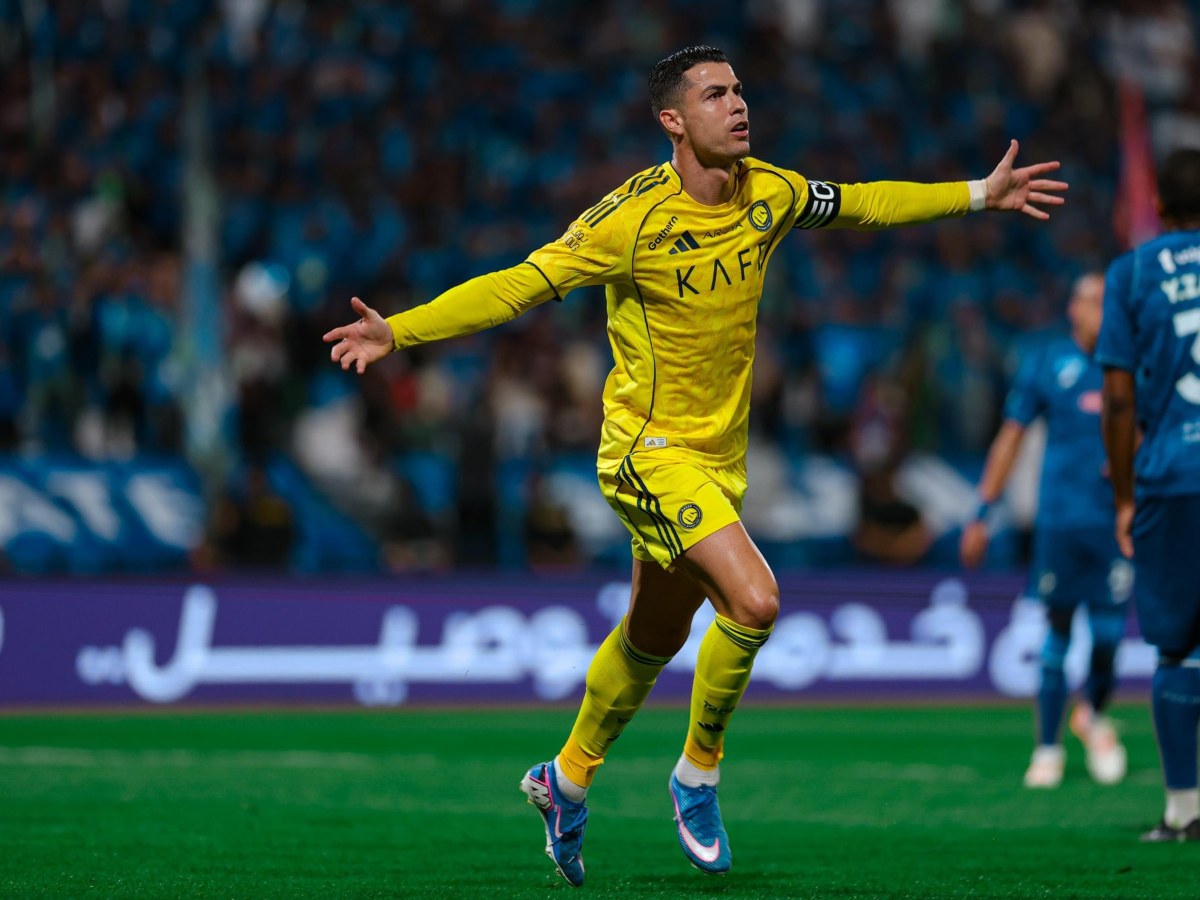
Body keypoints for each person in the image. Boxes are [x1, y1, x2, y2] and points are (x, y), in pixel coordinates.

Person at [324, 45, 1067, 884]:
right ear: (673, 121)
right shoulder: (627, 221)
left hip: (720, 458)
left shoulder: (770, 193)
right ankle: (697, 773)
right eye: (716, 95)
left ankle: (564, 780)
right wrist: (402, 331)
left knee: (654, 634)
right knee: (755, 601)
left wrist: (978, 194)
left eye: (740, 90)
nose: (738, 105)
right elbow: (518, 285)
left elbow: (863, 203)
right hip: (646, 452)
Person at [961, 274, 1131, 789]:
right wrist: (983, 510)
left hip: (1115, 521)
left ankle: (1094, 716)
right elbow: (1010, 438)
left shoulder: (1132, 365)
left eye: (1104, 302)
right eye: (1086, 300)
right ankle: (1049, 748)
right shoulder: (1048, 365)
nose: (1095, 310)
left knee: (1106, 637)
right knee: (1057, 633)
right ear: (1072, 310)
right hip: (1060, 521)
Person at [1098, 147, 1200, 843]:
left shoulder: (1132, 272)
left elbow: (1116, 398)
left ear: (1158, 205)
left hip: (1171, 475)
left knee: (1175, 648)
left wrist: (1126, 497)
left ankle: (1185, 810)